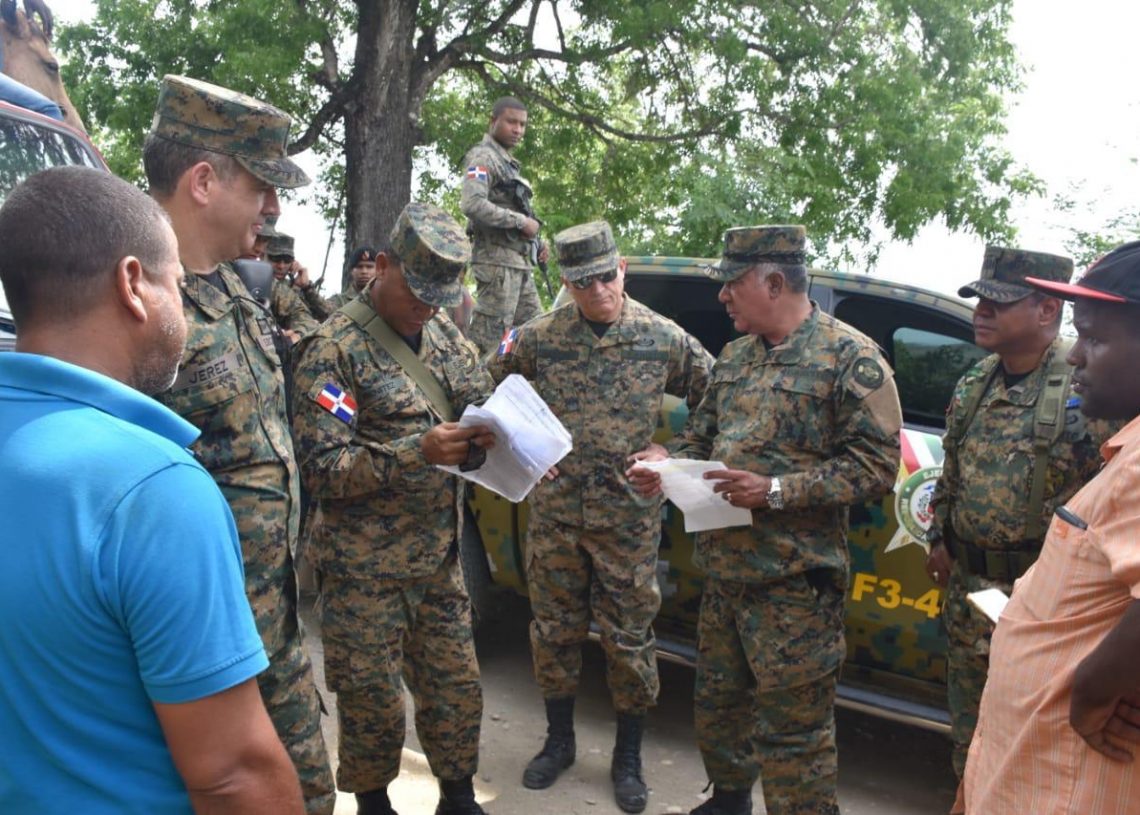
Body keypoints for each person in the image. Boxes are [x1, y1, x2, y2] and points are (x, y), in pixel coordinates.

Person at [0, 166, 304, 814]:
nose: (186, 314)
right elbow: (233, 777)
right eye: (177, 285)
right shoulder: (152, 490)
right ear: (134, 284)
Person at [628, 225, 902, 815]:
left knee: (794, 734)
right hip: (727, 574)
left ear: (773, 282)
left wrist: (775, 491)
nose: (722, 298)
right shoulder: (734, 357)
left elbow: (876, 469)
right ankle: (728, 801)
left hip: (794, 587)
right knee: (720, 706)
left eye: (731, 285)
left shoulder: (851, 359)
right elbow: (701, 433)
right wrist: (663, 459)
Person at [142, 74, 336, 814]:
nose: (274, 206)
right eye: (261, 184)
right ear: (202, 181)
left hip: (273, 623)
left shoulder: (229, 289)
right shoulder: (137, 307)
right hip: (199, 648)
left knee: (311, 797)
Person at [487, 220, 713, 813]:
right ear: (567, 281)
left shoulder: (662, 338)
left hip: (628, 519)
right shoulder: (537, 338)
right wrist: (522, 452)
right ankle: (559, 741)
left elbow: (719, 394)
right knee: (554, 631)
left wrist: (675, 451)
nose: (599, 293)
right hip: (557, 515)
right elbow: (487, 395)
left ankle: (629, 756)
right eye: (584, 284)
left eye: (607, 279)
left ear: (623, 271)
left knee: (629, 639)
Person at [291, 202, 494, 815]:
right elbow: (324, 469)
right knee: (372, 704)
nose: (427, 308)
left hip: (437, 562)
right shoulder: (332, 352)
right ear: (382, 267)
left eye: (440, 297)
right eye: (417, 293)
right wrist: (417, 451)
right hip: (362, 574)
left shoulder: (443, 334)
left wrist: (496, 432)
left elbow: (476, 392)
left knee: (457, 691)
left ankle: (458, 798)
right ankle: (374, 804)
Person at [923, 245, 1116, 780]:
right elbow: (953, 470)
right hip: (971, 598)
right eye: (979, 300)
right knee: (969, 741)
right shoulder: (975, 383)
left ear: (1047, 310)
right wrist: (940, 536)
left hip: (1042, 610)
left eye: (998, 302)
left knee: (1031, 755)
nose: (981, 311)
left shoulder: (1092, 389)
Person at [961, 242, 1140, 813]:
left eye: (1095, 337)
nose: (1077, 355)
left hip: (1064, 778)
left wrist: (1093, 689)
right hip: (1027, 761)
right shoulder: (977, 384)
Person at [460, 95, 548, 354]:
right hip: (497, 267)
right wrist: (520, 222)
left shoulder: (508, 165)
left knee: (537, 337)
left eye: (522, 124)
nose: (518, 130)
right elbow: (472, 204)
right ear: (493, 120)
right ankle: (474, 393)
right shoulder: (483, 158)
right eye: (512, 122)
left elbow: (513, 208)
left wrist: (537, 243)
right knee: (488, 344)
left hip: (519, 265)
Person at [266, 230, 321, 340]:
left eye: (287, 261)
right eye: (275, 259)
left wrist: (306, 288)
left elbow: (324, 316)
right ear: (264, 256)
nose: (281, 266)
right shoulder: (253, 279)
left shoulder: (295, 287)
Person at [305, 244, 379, 320]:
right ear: (351, 271)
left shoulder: (384, 301)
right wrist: (308, 289)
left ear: (378, 269)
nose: (364, 271)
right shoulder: (339, 301)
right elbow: (327, 311)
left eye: (369, 267)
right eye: (359, 267)